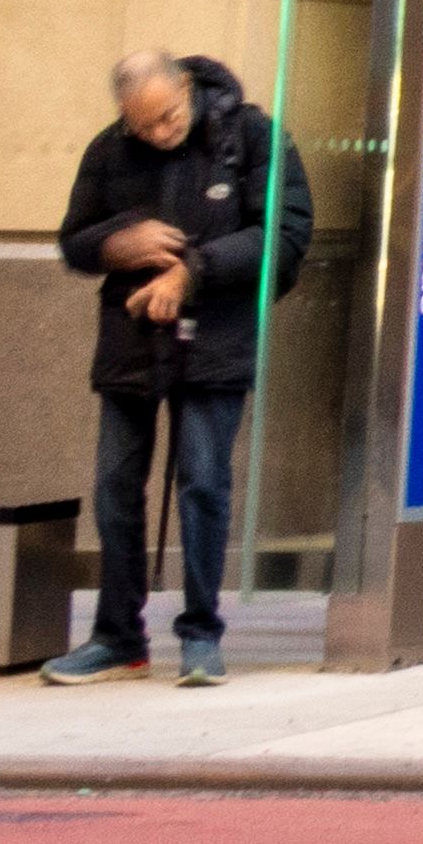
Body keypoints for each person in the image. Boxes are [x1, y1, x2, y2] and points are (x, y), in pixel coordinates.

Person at [50, 50, 303, 688]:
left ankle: (200, 633)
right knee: (114, 491)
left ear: (186, 87)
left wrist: (193, 272)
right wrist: (117, 243)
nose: (160, 133)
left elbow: (285, 234)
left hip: (213, 339)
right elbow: (75, 240)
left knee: (203, 486)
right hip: (131, 341)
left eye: (168, 117)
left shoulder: (252, 136)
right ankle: (117, 637)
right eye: (145, 127)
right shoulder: (109, 151)